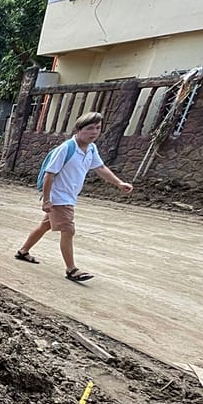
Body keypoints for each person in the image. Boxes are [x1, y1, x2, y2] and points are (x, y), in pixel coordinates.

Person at [14, 111, 133, 282]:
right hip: (59, 197)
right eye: (90, 128)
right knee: (68, 230)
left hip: (68, 196)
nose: (94, 132)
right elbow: (49, 174)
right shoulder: (66, 149)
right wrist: (47, 200)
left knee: (45, 226)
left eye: (98, 128)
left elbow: (100, 168)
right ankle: (71, 269)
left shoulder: (91, 148)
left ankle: (23, 252)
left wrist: (119, 183)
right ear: (78, 129)